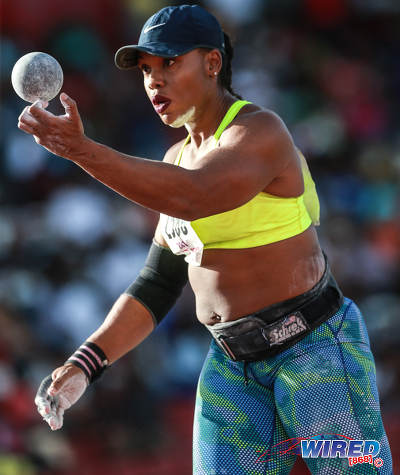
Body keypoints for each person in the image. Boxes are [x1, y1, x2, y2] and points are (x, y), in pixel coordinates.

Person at [18, 5, 392, 475]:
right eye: (147, 70)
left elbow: (195, 197)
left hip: (315, 350)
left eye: (170, 63)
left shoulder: (259, 130)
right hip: (233, 366)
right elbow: (158, 282)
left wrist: (80, 149)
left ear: (212, 63)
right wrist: (84, 364)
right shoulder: (175, 158)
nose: (154, 80)